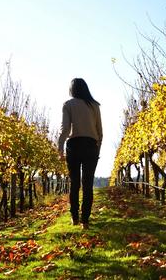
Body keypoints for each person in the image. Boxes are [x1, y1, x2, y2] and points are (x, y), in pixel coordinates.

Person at [58, 78, 102, 229]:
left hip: (74, 145)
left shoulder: (68, 105)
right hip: (91, 145)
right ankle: (85, 221)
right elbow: (100, 131)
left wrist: (60, 148)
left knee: (75, 183)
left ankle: (74, 218)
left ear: (72, 89)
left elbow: (64, 129)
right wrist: (98, 148)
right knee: (87, 184)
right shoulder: (94, 105)